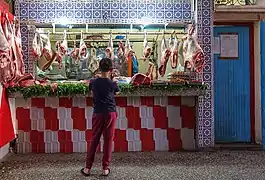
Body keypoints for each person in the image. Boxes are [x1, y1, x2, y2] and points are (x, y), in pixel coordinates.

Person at [81, 58, 119, 177]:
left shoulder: (93, 82)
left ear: (99, 68)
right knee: (108, 140)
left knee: (94, 140)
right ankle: (105, 168)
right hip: (110, 113)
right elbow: (116, 93)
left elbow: (92, 92)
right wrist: (112, 80)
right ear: (111, 69)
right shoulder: (112, 83)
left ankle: (87, 168)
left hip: (98, 113)